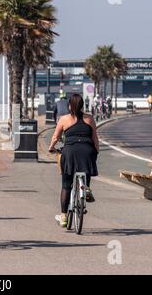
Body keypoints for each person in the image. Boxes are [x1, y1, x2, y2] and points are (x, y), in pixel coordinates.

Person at [48, 94, 99, 228]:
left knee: (66, 185)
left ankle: (64, 216)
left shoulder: (64, 119)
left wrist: (51, 148)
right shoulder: (90, 119)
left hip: (70, 152)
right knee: (86, 166)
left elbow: (55, 137)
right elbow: (95, 139)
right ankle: (86, 188)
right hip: (87, 151)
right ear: (82, 105)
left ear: (69, 105)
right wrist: (96, 152)